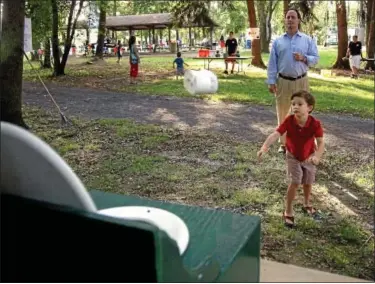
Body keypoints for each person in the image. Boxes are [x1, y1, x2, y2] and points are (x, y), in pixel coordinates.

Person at [257, 91, 324, 228]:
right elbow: (276, 134)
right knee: (295, 181)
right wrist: (264, 146)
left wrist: (317, 156)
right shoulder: (289, 121)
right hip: (293, 156)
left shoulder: (315, 124)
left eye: (300, 104)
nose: (295, 107)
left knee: (308, 181)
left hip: (309, 157)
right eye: (293, 104)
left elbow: (321, 142)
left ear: (309, 108)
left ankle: (307, 204)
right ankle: (288, 210)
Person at [267, 9, 319, 154]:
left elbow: (315, 59)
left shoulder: (307, 40)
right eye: (288, 17)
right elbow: (272, 64)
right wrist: (271, 81)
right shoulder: (278, 42)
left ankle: (305, 143)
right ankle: (283, 144)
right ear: (285, 20)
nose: (290, 20)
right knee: (283, 113)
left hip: (301, 80)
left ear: (298, 20)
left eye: (293, 17)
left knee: (303, 113)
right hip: (283, 81)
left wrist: (304, 58)